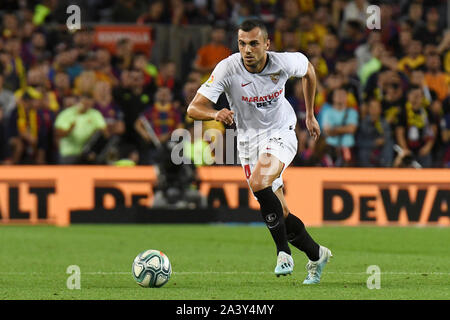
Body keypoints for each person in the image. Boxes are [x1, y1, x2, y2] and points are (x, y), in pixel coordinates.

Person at [187, 19, 332, 284]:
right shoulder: (227, 69)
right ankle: (316, 254)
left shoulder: (284, 62)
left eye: (254, 43)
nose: (247, 50)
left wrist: (310, 115)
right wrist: (215, 112)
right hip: (248, 144)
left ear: (267, 44)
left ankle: (282, 253)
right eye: (242, 43)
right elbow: (193, 108)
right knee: (281, 212)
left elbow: (309, 71)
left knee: (258, 181)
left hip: (282, 131)